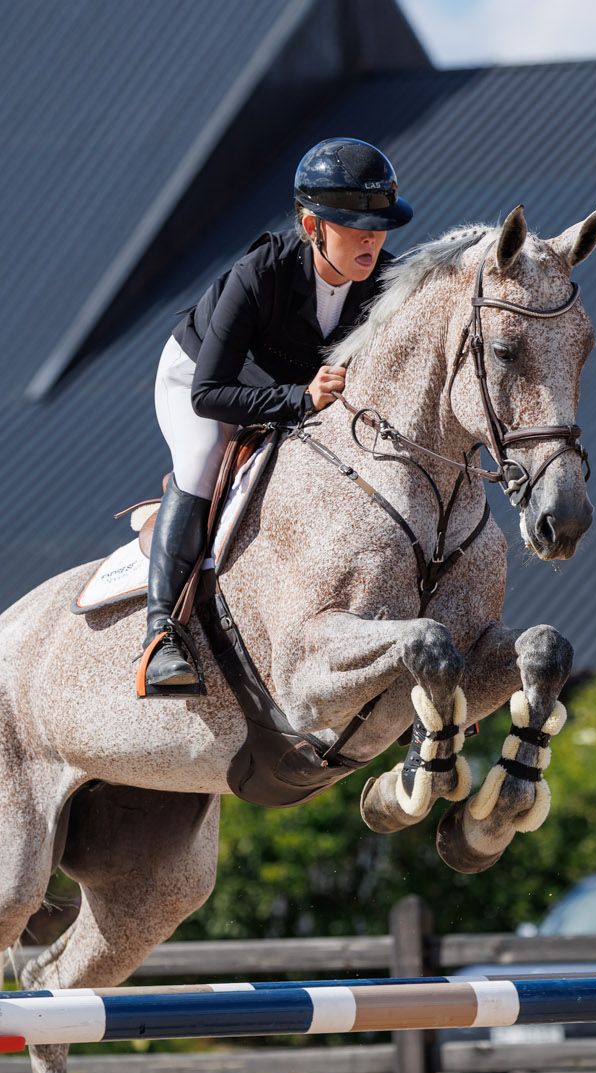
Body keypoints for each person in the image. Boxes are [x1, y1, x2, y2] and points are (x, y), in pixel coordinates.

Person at [140, 137, 414, 695]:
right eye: (354, 226)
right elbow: (209, 393)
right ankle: (162, 633)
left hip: (287, 387)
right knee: (201, 458)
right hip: (199, 377)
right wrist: (299, 400)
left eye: (380, 224)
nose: (373, 238)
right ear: (313, 227)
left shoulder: (387, 282)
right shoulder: (258, 274)